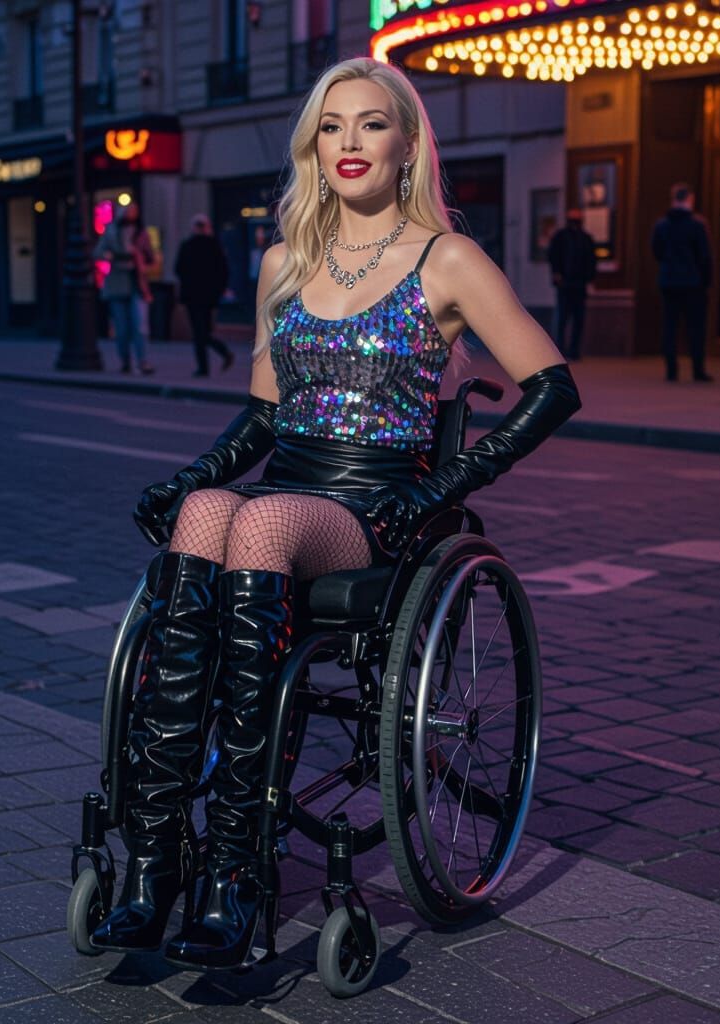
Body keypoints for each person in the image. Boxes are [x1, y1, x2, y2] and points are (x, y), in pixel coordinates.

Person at [90, 57, 581, 968]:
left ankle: (238, 865)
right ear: (313, 148)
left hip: (374, 504)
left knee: (257, 523)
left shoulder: (446, 259)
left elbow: (553, 388)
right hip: (287, 482)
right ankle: (157, 861)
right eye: (331, 125)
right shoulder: (285, 261)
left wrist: (440, 488)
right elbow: (264, 416)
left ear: (407, 146)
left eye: (371, 124)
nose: (350, 142)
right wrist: (190, 475)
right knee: (205, 512)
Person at [651, 183, 714, 383]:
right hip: (692, 282)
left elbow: (657, 251)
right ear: (689, 199)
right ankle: (698, 369)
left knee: (670, 326)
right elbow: (704, 256)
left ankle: (671, 369)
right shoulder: (697, 225)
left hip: (669, 281)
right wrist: (706, 280)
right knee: (695, 327)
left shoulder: (662, 225)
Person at [94, 200, 156, 375]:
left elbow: (151, 257)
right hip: (117, 282)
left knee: (140, 325)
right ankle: (125, 361)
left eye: (134, 211)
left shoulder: (141, 233)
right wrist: (109, 255)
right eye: (128, 211)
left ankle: (142, 361)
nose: (131, 214)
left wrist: (141, 261)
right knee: (121, 328)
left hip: (137, 283)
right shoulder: (111, 231)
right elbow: (97, 252)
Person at [175, 213, 233, 377]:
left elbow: (178, 269)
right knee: (203, 331)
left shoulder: (188, 245)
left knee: (200, 331)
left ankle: (208, 364)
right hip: (208, 295)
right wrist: (219, 290)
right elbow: (223, 271)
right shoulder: (214, 246)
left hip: (194, 295)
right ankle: (217, 357)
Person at [546, 208, 596, 361]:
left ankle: (574, 350)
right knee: (562, 317)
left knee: (578, 319)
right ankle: (560, 349)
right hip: (565, 283)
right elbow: (553, 256)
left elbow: (591, 259)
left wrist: (589, 278)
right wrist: (556, 273)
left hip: (579, 283)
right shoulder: (561, 237)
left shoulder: (585, 238)